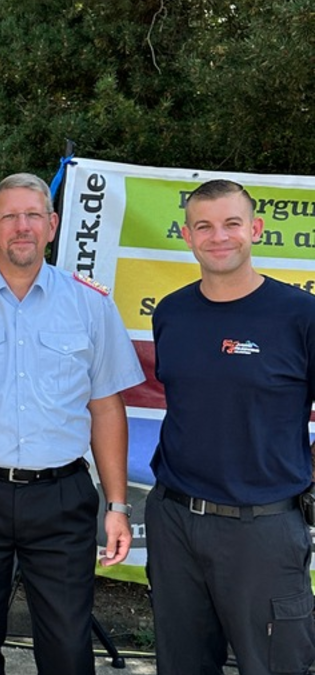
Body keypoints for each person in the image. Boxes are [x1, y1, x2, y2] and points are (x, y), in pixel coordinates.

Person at [0, 172, 144, 675]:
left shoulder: (90, 304)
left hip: (61, 496)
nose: (21, 227)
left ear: (51, 225)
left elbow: (107, 407)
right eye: (9, 216)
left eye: (32, 216)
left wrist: (117, 506)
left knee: (68, 648)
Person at [147, 179, 315, 675]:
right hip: (174, 519)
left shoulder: (300, 314)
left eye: (231, 223)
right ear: (187, 235)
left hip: (262, 525)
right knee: (181, 664)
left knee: (275, 665)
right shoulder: (172, 312)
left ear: (255, 230)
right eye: (204, 226)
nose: (218, 236)